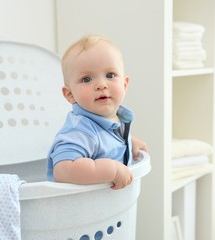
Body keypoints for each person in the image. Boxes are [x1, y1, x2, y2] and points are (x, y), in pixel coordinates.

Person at [47, 35, 148, 190]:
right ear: (70, 94)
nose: (101, 85)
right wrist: (111, 170)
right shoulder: (80, 131)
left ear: (124, 85)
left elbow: (105, 139)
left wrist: (128, 140)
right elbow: (64, 169)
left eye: (110, 75)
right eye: (87, 79)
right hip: (79, 210)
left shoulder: (113, 119)